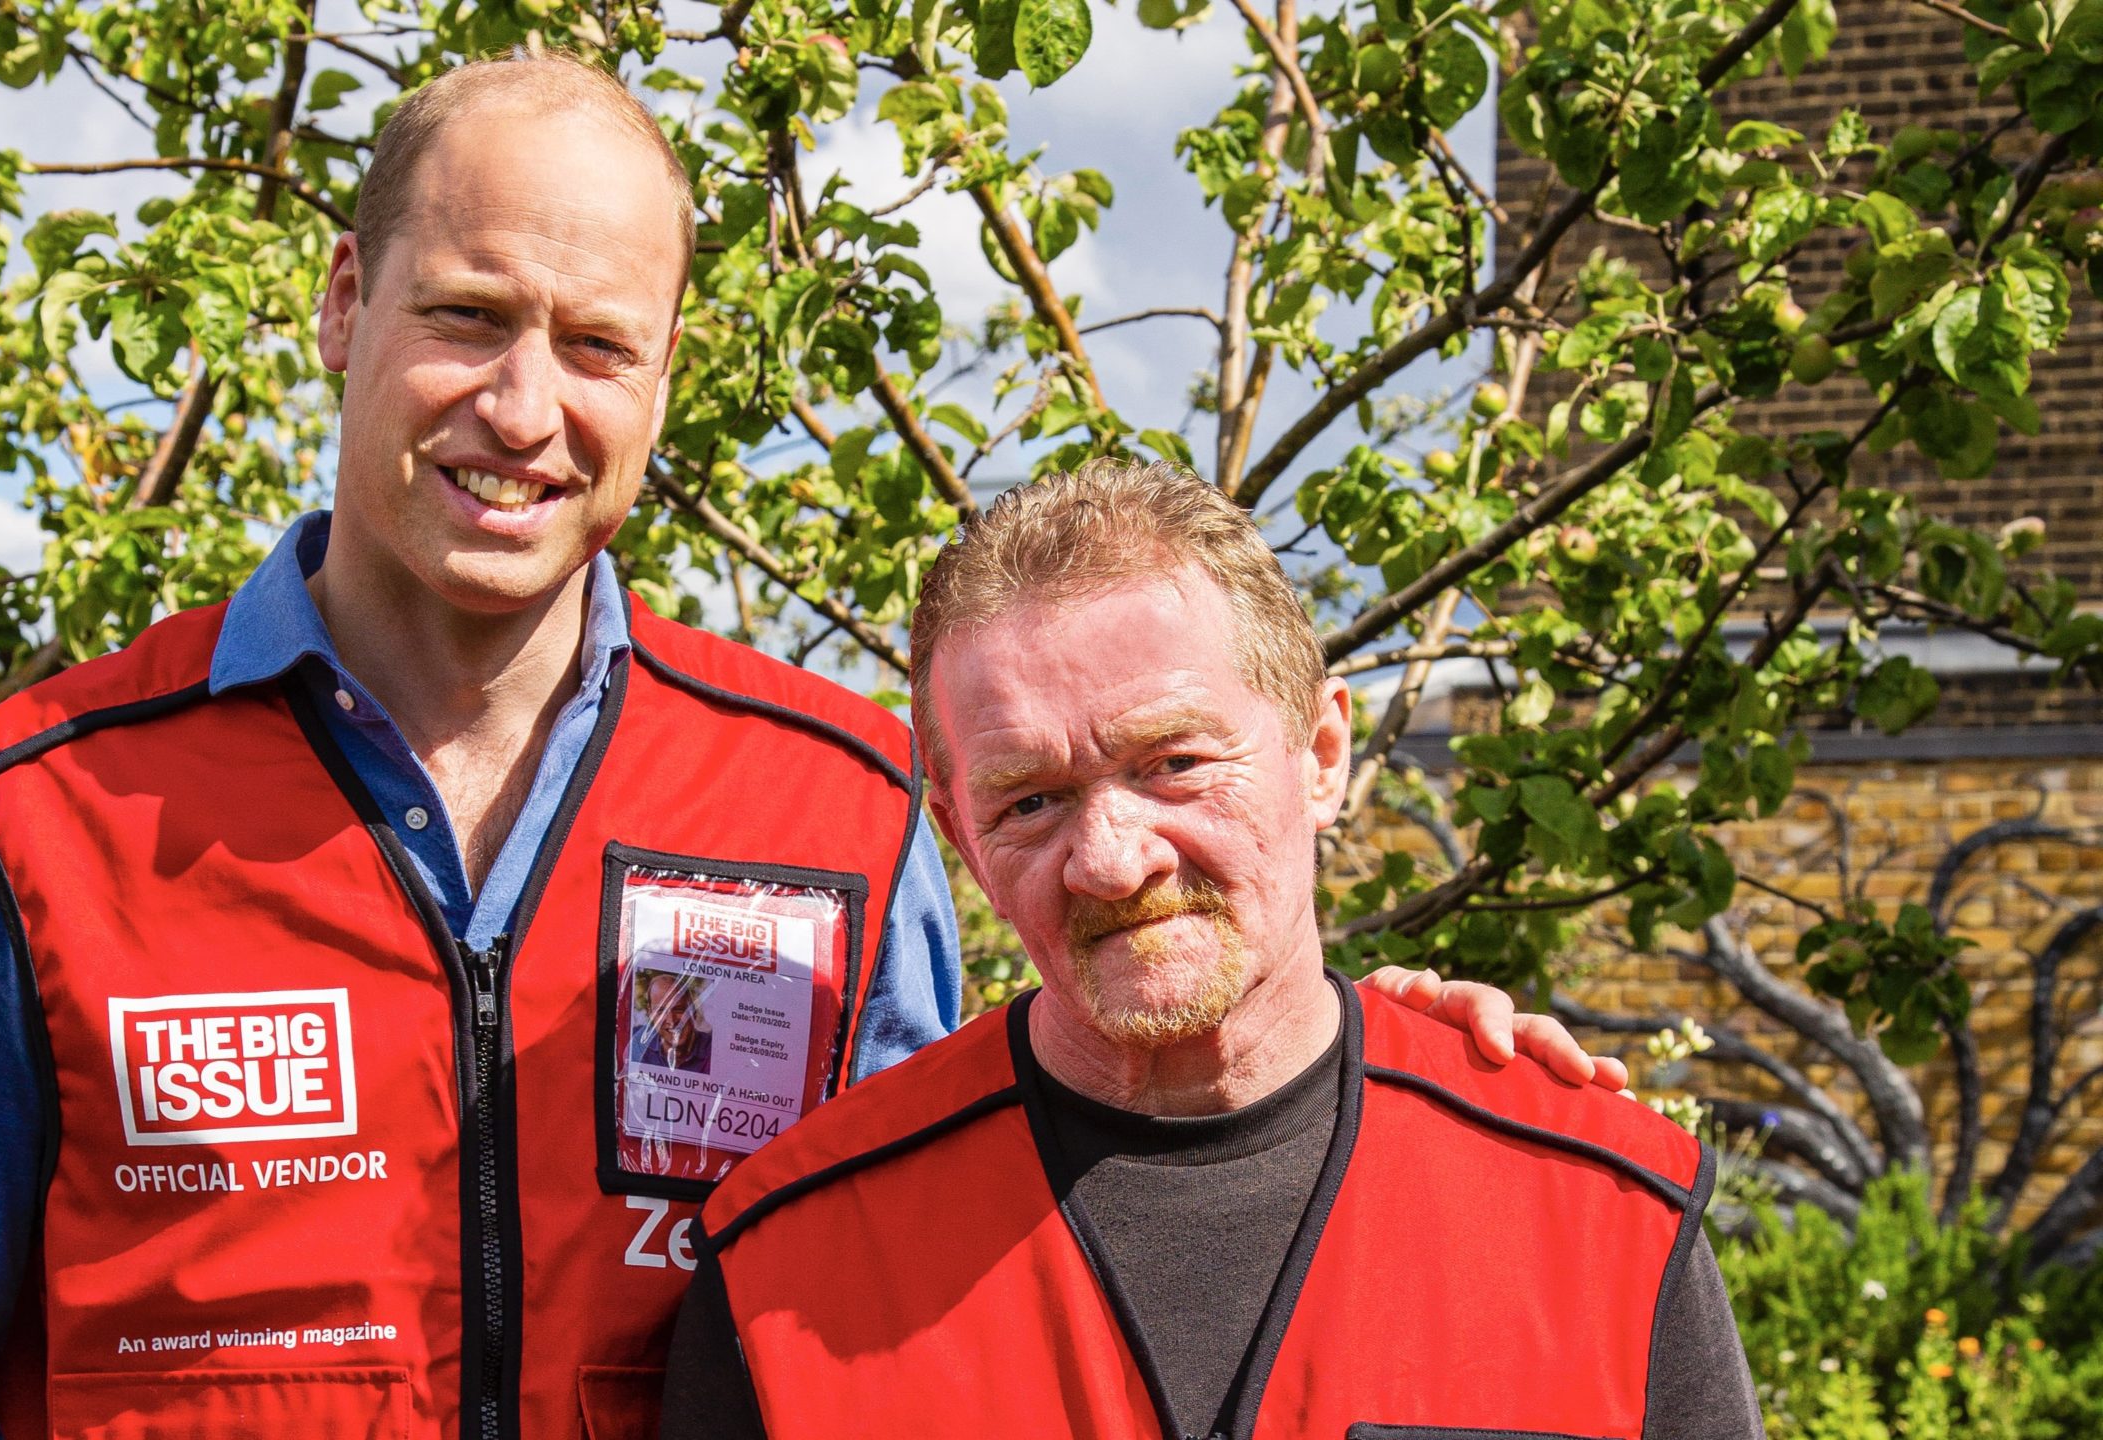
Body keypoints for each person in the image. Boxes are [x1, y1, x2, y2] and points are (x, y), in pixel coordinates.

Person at [0, 53, 1624, 1440]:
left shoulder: (831, 806)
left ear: (662, 376)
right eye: (465, 316)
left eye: (597, 343)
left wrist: (1361, 1041)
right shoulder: (40, 808)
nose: (524, 407)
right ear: (347, 304)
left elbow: (997, 1193)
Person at [660, 460, 1762, 1440]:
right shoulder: (792, 1266)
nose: (1109, 858)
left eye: (1172, 763)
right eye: (1030, 800)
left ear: (1321, 754)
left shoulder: (1600, 1216)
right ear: (960, 839)